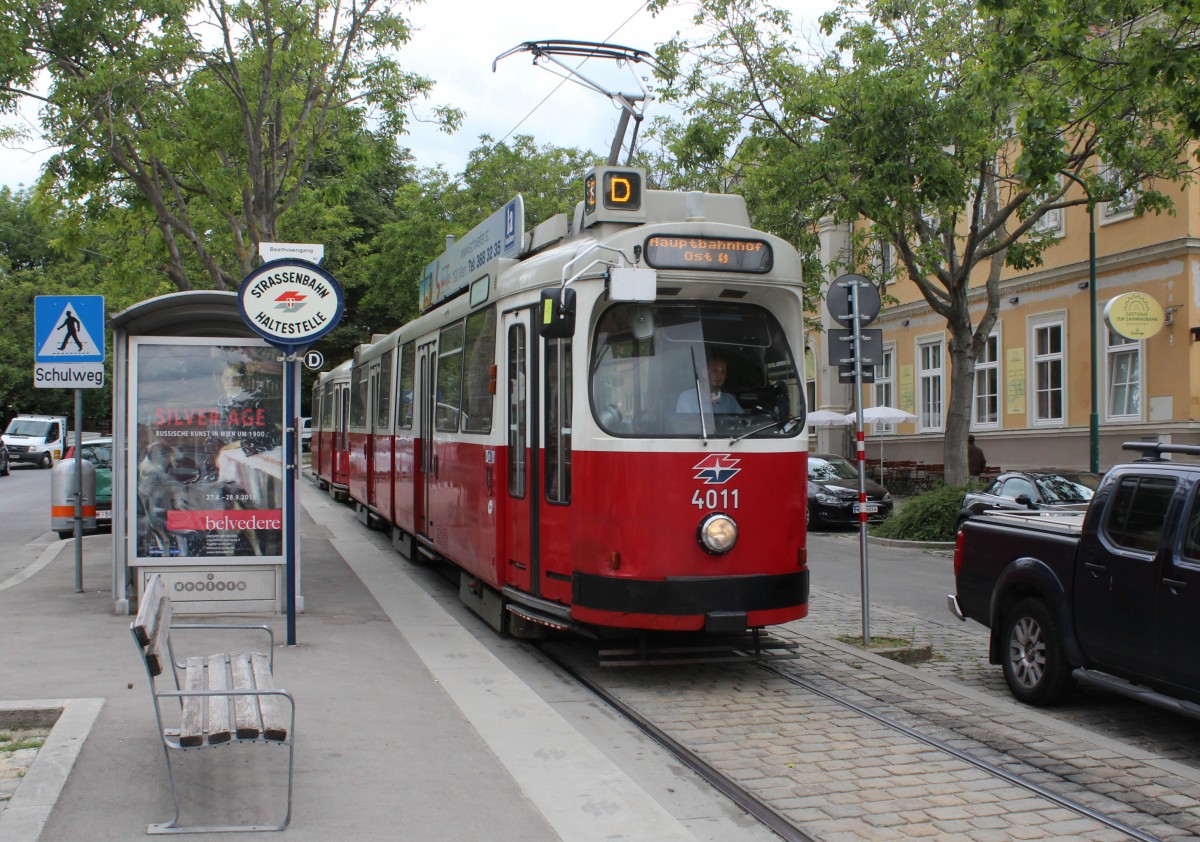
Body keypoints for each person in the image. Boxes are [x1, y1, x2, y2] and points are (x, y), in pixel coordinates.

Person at [676, 354, 744, 414]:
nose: (719, 375)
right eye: (715, 371)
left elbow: (742, 423)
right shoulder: (687, 398)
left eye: (723, 372)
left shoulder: (729, 400)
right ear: (705, 373)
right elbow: (686, 426)